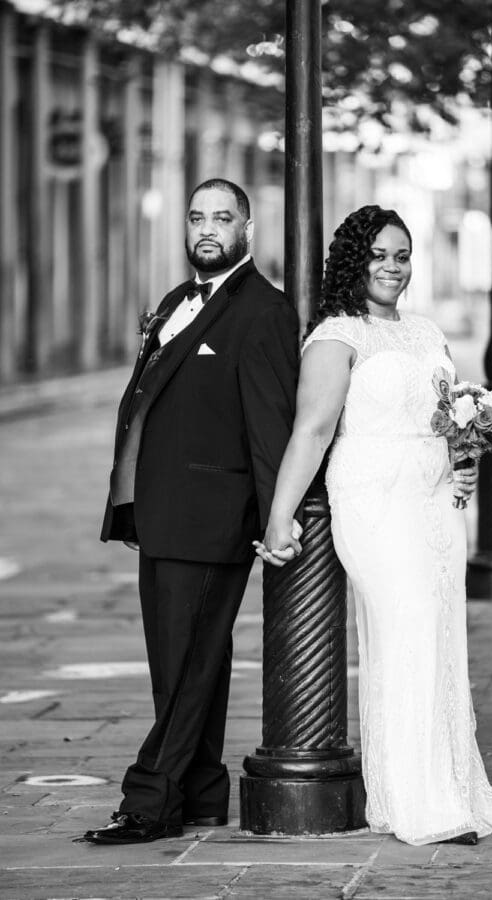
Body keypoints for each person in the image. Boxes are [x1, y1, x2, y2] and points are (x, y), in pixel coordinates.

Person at [254, 205, 492, 846]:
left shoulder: (426, 332)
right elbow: (313, 429)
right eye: (380, 255)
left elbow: (447, 415)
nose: (392, 267)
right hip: (375, 500)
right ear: (356, 261)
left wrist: (462, 459)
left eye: (402, 255)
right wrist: (279, 517)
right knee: (405, 629)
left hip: (436, 503)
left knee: (440, 637)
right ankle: (416, 803)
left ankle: (452, 788)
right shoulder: (336, 336)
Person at [84, 179, 300, 845]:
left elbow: (271, 424)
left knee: (186, 667)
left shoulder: (264, 310)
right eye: (197, 216)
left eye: (222, 217)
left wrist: (277, 518)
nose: (208, 228)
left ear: (247, 229)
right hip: (161, 514)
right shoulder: (178, 301)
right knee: (176, 660)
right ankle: (201, 793)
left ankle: (149, 800)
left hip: (215, 517)